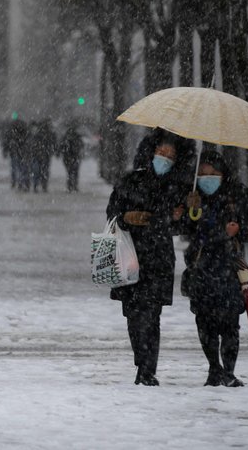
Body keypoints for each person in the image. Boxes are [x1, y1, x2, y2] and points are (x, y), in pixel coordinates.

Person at [106, 132, 189, 386]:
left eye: (170, 156)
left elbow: (184, 226)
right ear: (151, 152)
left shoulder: (178, 187)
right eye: (161, 153)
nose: (164, 159)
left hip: (159, 259)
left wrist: (179, 216)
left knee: (151, 316)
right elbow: (112, 214)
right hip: (130, 256)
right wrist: (127, 218)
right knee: (133, 315)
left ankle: (147, 369)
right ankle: (141, 361)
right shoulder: (131, 181)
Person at [181, 150, 248, 387]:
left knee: (229, 325)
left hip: (229, 271)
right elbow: (181, 228)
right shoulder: (193, 196)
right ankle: (214, 369)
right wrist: (188, 211)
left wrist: (239, 231)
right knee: (205, 324)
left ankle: (229, 371)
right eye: (203, 173)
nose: (208, 178)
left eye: (213, 173)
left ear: (223, 174)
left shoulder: (238, 196)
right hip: (201, 270)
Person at [3, 117, 30, 190]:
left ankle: (17, 182)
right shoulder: (25, 132)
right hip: (21, 153)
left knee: (16, 168)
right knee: (23, 168)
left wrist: (5, 151)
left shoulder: (11, 132)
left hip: (15, 153)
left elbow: (6, 142)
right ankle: (22, 182)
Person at [29, 119, 56, 192]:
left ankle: (37, 185)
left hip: (39, 155)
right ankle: (42, 185)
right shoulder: (47, 134)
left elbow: (32, 145)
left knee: (37, 171)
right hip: (43, 155)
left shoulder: (39, 134)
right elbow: (52, 144)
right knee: (43, 171)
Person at [58, 124, 84, 192]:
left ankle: (71, 186)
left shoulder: (66, 137)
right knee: (74, 172)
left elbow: (61, 147)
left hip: (69, 158)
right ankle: (74, 186)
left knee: (70, 172)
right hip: (74, 157)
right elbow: (81, 145)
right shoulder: (76, 137)